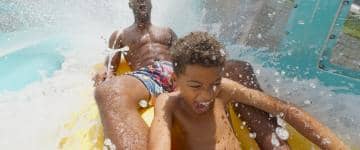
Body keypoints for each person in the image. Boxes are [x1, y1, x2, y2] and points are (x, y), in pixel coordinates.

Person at [94, 0, 287, 149]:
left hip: (175, 69)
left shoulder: (166, 31)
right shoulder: (120, 34)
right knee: (108, 90)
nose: (142, 5)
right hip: (147, 75)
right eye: (138, 2)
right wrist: (106, 73)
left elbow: (184, 53)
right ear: (131, 6)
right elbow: (111, 64)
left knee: (240, 68)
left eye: (145, 2)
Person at [148, 32, 348, 150]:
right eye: (195, 86)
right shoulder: (168, 102)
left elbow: (285, 109)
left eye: (214, 83)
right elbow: (160, 141)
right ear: (176, 80)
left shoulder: (224, 89)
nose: (207, 95)